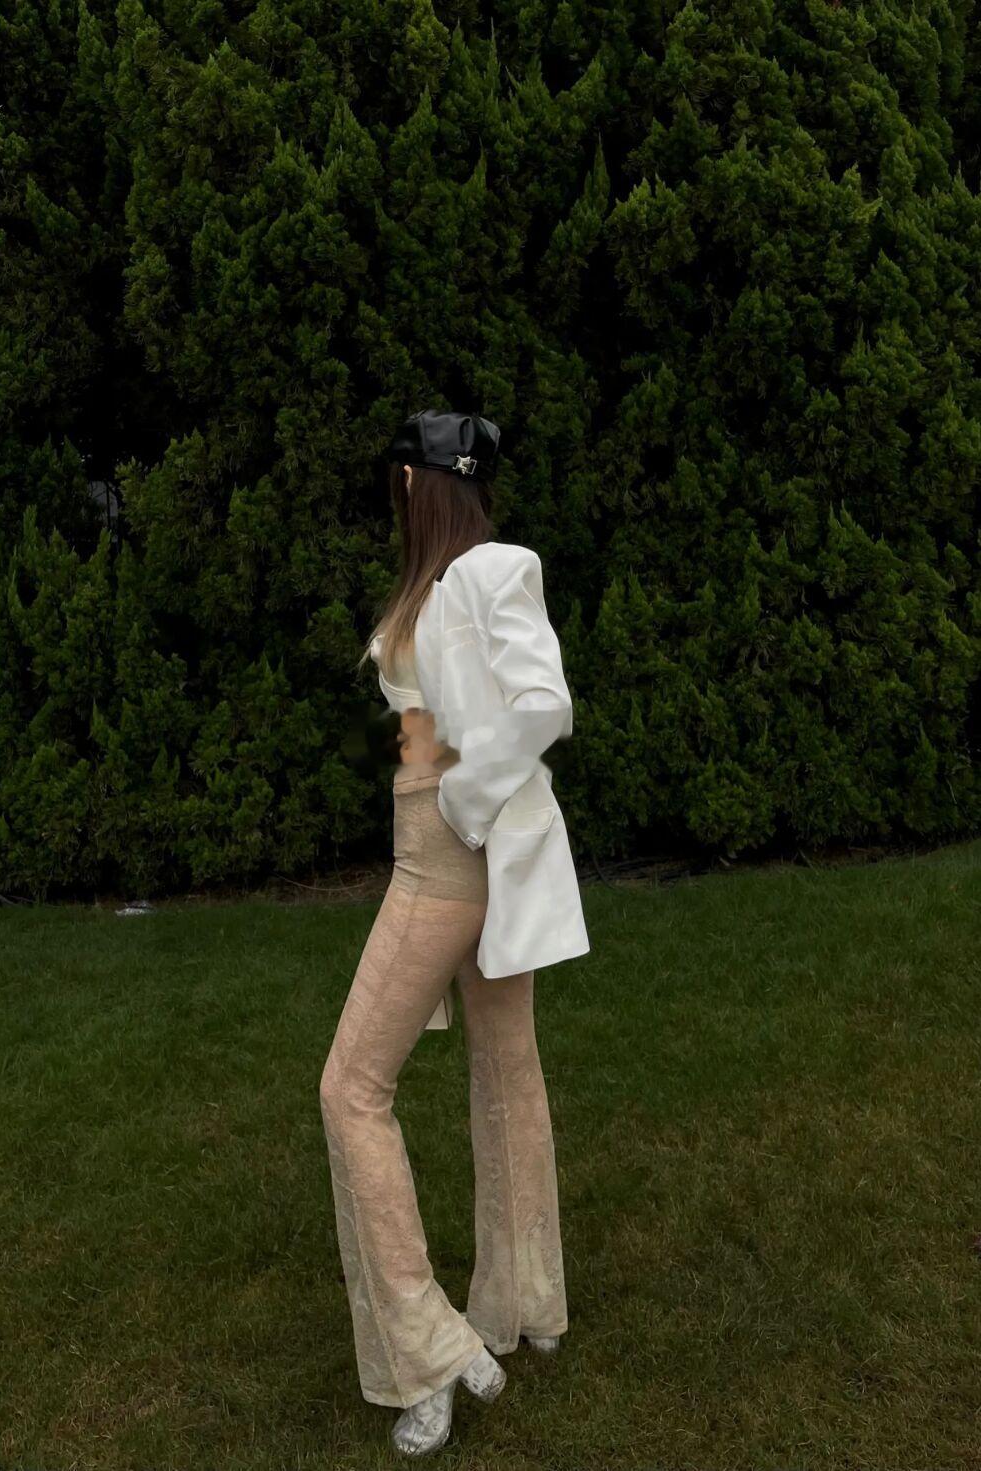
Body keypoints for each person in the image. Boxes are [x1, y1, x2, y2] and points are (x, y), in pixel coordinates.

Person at [319, 409, 591, 1456]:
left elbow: (543, 705)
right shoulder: (438, 585)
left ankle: (430, 1350)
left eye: (400, 477)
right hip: (445, 846)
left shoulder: (486, 571)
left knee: (351, 1088)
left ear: (415, 483)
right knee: (506, 1074)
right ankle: (523, 1302)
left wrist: (463, 804)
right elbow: (445, 719)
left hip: (446, 856)